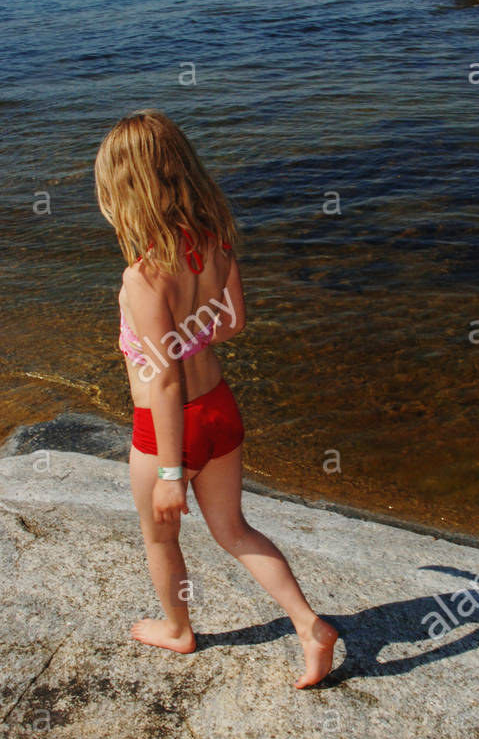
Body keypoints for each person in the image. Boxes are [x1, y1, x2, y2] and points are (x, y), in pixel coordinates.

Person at [94, 109, 339, 688]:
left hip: (168, 428)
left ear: (124, 188)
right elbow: (231, 322)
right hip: (219, 409)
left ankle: (178, 630)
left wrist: (173, 472)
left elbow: (165, 382)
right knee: (233, 531)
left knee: (160, 536)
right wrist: (187, 334)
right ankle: (309, 625)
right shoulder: (212, 242)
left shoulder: (144, 277)